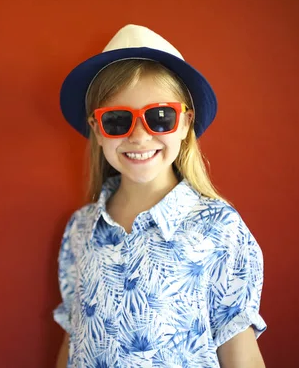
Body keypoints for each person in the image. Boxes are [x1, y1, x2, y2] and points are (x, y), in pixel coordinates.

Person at [53, 25, 266, 367]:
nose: (139, 136)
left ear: (185, 123)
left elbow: (239, 354)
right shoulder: (80, 231)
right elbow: (73, 339)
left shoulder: (219, 228)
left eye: (160, 117)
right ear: (97, 129)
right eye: (118, 120)